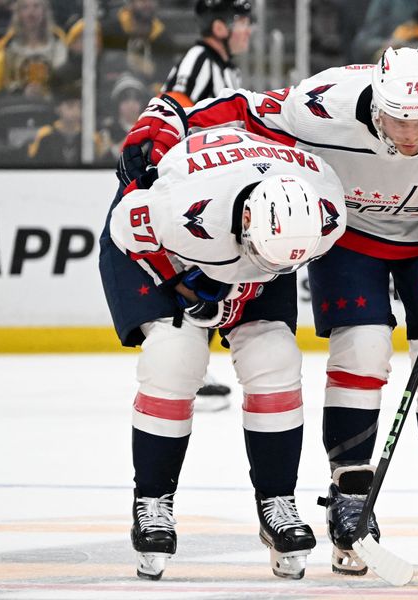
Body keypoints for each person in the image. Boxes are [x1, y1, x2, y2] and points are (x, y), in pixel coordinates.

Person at [118, 46, 418, 576]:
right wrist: (170, 116)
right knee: (362, 346)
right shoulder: (324, 100)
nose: (409, 136)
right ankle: (350, 490)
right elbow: (247, 110)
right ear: (375, 105)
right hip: (351, 232)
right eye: (397, 121)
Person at [100, 110, 347, 580]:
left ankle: (278, 501)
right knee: (174, 356)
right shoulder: (175, 206)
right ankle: (151, 501)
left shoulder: (327, 210)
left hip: (264, 246)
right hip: (163, 249)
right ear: (248, 219)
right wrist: (180, 280)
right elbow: (126, 231)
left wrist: (255, 272)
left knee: (274, 358)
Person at [160, 0, 254, 409]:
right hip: (194, 187)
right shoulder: (200, 59)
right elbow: (171, 112)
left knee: (212, 276)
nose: (247, 30)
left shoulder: (225, 66)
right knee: (195, 277)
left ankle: (190, 369)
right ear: (219, 26)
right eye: (241, 22)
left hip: (215, 185)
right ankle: (183, 372)